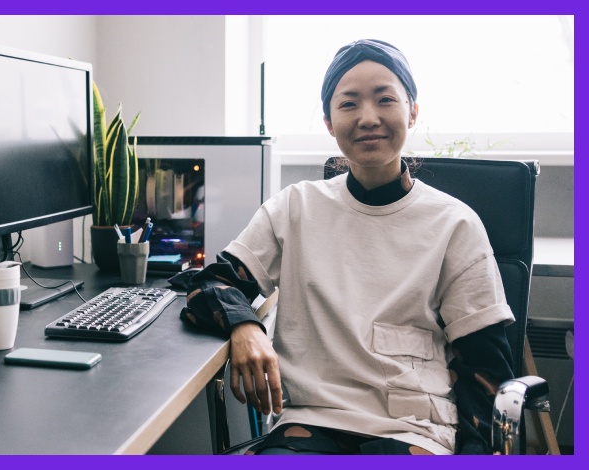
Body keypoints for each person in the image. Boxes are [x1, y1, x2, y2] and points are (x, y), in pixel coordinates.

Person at [180, 39, 515, 455]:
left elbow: (486, 370)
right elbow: (209, 286)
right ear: (328, 122)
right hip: (308, 422)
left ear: (413, 111)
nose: (368, 118)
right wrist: (244, 326)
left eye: (385, 99)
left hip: (413, 431)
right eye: (349, 104)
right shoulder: (295, 207)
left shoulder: (454, 223)